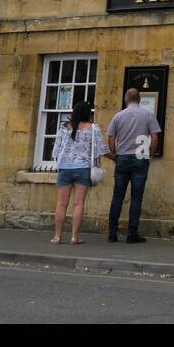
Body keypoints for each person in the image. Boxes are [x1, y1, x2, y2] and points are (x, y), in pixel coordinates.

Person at [106, 87, 161, 243]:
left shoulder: (118, 116)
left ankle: (112, 232)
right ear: (139, 99)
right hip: (140, 157)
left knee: (117, 196)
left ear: (126, 99)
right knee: (137, 197)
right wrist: (150, 154)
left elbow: (110, 138)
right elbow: (155, 137)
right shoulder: (148, 115)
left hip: (122, 157)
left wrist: (115, 154)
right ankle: (132, 233)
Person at [51, 100, 108, 245]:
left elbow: (56, 150)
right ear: (88, 113)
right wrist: (115, 157)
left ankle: (57, 237)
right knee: (78, 204)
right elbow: (101, 149)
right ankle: (74, 237)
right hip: (82, 168)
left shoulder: (64, 128)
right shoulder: (93, 128)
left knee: (61, 204)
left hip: (64, 168)